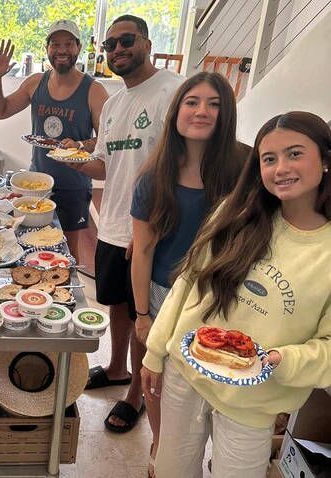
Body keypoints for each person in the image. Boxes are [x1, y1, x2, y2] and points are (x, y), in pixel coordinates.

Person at [142, 111, 331, 478]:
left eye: (295, 154)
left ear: (325, 159)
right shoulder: (235, 214)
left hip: (255, 399)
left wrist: (282, 361)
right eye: (269, 159)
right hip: (187, 372)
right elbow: (187, 284)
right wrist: (155, 351)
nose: (280, 169)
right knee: (171, 470)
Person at [129, 72, 248, 477]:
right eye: (192, 102)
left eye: (214, 104)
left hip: (225, 297)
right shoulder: (154, 178)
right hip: (165, 297)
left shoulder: (245, 171)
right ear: (176, 111)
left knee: (218, 380)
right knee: (159, 379)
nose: (202, 111)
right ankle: (161, 444)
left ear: (227, 113)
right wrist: (142, 315)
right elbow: (142, 252)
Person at [70, 15, 183, 433]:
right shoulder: (114, 104)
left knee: (143, 317)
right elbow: (105, 166)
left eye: (126, 40)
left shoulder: (173, 91)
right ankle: (117, 368)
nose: (117, 49)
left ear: (147, 44)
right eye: (110, 44)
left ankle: (137, 392)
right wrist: (75, 161)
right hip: (114, 223)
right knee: (117, 304)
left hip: (150, 230)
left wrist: (156, 227)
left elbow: (184, 166)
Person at [0, 20, 108, 261]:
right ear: (47, 48)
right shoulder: (35, 83)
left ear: (79, 47)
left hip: (74, 185)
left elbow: (106, 140)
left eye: (68, 44)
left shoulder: (94, 90)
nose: (61, 50)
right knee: (30, 245)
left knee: (68, 252)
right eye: (55, 44)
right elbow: (0, 112)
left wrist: (79, 145)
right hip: (37, 184)